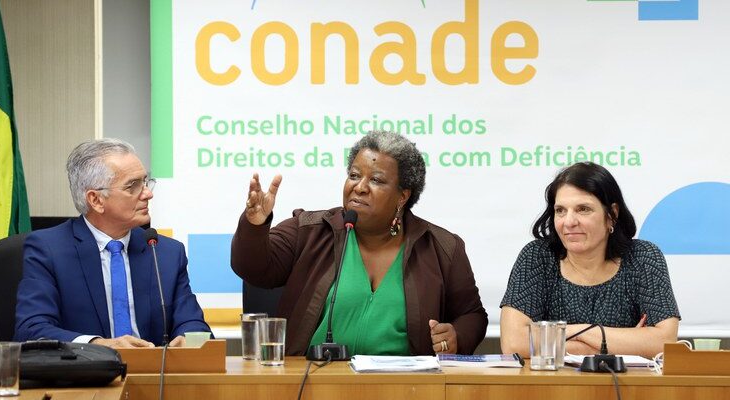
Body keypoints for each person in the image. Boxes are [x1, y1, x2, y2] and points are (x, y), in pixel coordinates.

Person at [231, 131, 488, 356]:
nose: (360, 187)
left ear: (402, 196)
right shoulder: (309, 229)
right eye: (354, 175)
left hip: (404, 385)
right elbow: (254, 268)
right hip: (313, 381)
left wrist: (456, 336)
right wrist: (255, 224)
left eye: (376, 180)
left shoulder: (442, 247)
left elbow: (472, 315)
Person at [15, 139, 211, 347]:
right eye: (132, 186)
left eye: (145, 182)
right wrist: (99, 344)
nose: (148, 194)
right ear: (96, 200)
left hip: (155, 375)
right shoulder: (48, 250)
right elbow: (32, 330)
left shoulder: (165, 252)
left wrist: (189, 342)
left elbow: (194, 324)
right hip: (85, 376)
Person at [500, 162, 680, 358]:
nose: (568, 221)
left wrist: (576, 333)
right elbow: (514, 343)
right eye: (560, 210)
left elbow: (664, 343)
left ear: (612, 215)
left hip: (628, 387)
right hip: (551, 387)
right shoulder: (537, 256)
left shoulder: (643, 257)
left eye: (583, 209)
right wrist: (621, 343)